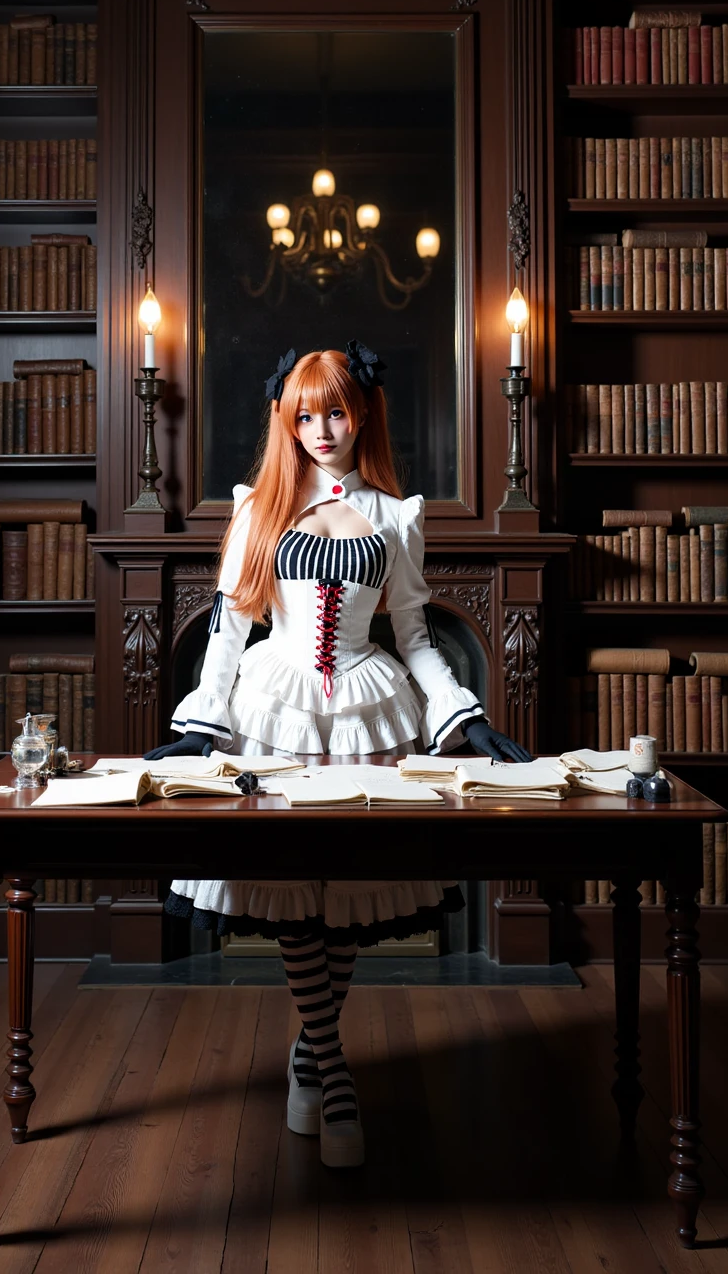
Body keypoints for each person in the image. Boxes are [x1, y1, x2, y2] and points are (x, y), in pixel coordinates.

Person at [146, 342, 530, 1167]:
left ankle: (309, 1053)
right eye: (306, 413)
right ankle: (333, 1066)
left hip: (365, 709)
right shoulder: (260, 509)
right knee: (289, 885)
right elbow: (228, 627)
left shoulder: (395, 516)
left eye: (338, 411)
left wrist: (463, 717)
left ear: (364, 415)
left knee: (347, 884)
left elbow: (419, 638)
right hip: (274, 706)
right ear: (288, 419)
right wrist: (201, 725)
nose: (323, 429)